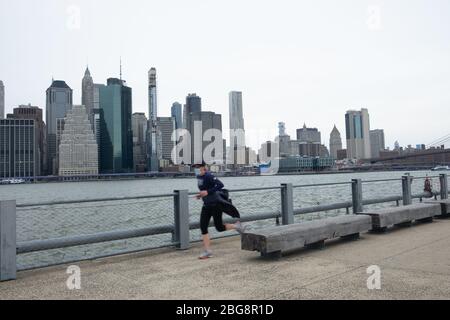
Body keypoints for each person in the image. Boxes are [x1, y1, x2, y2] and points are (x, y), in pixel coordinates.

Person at [194, 162, 246, 260]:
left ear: (204, 167)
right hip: (206, 205)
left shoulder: (208, 176)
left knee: (219, 227)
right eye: (195, 167)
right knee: (203, 226)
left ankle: (237, 226)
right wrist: (201, 195)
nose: (196, 169)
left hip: (215, 205)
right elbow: (205, 189)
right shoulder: (198, 177)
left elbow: (220, 185)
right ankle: (207, 251)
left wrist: (207, 192)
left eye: (198, 167)